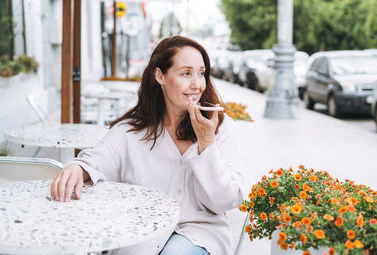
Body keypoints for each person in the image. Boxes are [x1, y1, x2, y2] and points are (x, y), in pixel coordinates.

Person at [50, 36, 246, 255]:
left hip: (199, 233)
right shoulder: (132, 130)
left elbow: (226, 200)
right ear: (160, 75)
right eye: (186, 73)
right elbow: (97, 159)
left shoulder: (220, 127)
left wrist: (206, 143)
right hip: (141, 233)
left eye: (201, 73)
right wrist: (77, 168)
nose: (198, 84)